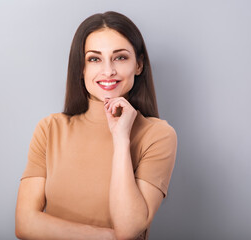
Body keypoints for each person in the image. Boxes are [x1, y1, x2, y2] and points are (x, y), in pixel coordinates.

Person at [15, 11, 177, 240]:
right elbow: (24, 223)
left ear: (139, 64)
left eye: (120, 57)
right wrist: (109, 237)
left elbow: (129, 228)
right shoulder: (50, 129)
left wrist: (121, 139)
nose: (108, 70)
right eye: (94, 59)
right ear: (81, 68)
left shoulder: (158, 135)